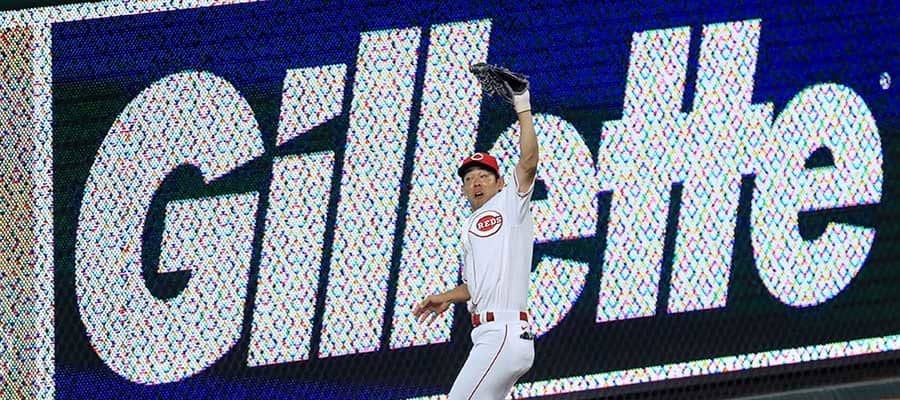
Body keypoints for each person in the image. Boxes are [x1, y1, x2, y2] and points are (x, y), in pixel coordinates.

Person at [413, 81, 538, 400]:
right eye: (469, 178)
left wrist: (522, 103)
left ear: (499, 183)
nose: (476, 182)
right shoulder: (469, 226)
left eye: (484, 176)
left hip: (504, 333)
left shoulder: (511, 203)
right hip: (487, 334)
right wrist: (446, 297)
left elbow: (528, 162)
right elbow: (474, 286)